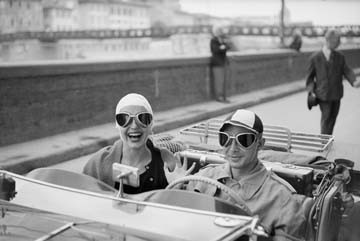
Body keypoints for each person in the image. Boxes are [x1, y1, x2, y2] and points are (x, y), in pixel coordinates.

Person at [167, 109, 311, 240]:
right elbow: (178, 223)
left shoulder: (282, 198)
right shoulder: (203, 177)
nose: (233, 148)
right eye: (225, 139)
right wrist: (177, 187)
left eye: (244, 140)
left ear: (260, 144)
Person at [83, 93, 187, 194]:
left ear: (151, 125)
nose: (134, 126)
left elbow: (174, 205)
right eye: (124, 119)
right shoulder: (99, 163)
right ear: (117, 126)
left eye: (142, 118)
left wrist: (177, 188)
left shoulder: (166, 161)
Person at [306, 29, 360, 135]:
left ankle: (328, 139)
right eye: (337, 41)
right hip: (323, 95)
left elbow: (346, 70)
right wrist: (311, 91)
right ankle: (324, 142)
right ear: (328, 40)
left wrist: (354, 81)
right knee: (326, 118)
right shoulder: (315, 57)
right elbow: (310, 78)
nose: (339, 43)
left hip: (337, 94)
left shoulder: (340, 56)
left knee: (333, 118)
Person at [210, 25, 230, 103]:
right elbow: (216, 50)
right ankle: (219, 97)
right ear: (215, 32)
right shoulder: (213, 40)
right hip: (217, 63)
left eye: (220, 31)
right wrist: (222, 47)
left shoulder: (221, 40)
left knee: (223, 81)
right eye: (219, 31)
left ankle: (224, 97)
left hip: (223, 63)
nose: (220, 32)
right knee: (218, 81)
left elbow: (228, 47)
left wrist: (223, 47)